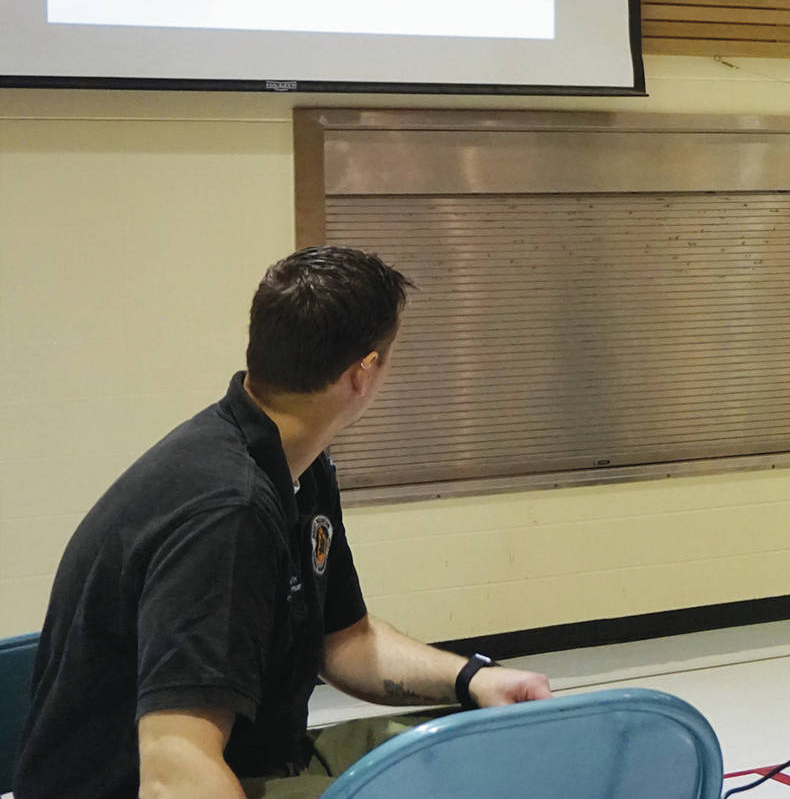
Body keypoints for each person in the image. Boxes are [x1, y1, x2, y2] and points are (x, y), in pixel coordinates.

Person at [16, 246, 552, 799]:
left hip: (268, 758)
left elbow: (346, 641)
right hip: (154, 785)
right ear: (362, 373)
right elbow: (174, 773)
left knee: (485, 752)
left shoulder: (298, 464)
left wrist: (474, 678)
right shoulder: (229, 512)